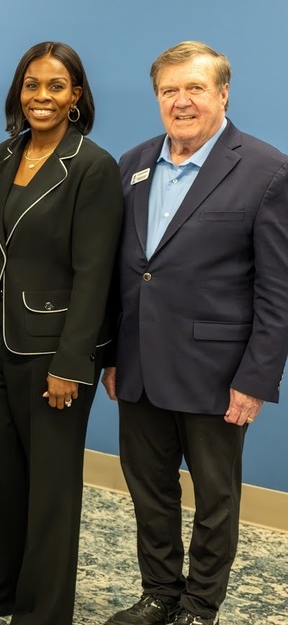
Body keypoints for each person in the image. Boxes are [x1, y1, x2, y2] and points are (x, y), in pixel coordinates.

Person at [101, 41, 288, 625]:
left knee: (215, 499)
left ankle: (200, 605)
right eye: (168, 91)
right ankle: (159, 591)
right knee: (149, 491)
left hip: (217, 373)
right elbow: (122, 272)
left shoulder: (266, 169)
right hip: (138, 368)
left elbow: (277, 290)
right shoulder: (132, 164)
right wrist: (110, 355)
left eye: (195, 88)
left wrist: (255, 378)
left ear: (222, 93)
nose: (181, 102)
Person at [0, 42, 123, 625]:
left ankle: (42, 612)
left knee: (51, 493)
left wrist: (71, 363)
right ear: (19, 91)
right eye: (32, 85)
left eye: (56, 87)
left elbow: (95, 275)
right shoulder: (2, 157)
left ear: (76, 96)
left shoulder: (92, 167)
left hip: (51, 351)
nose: (42, 97)